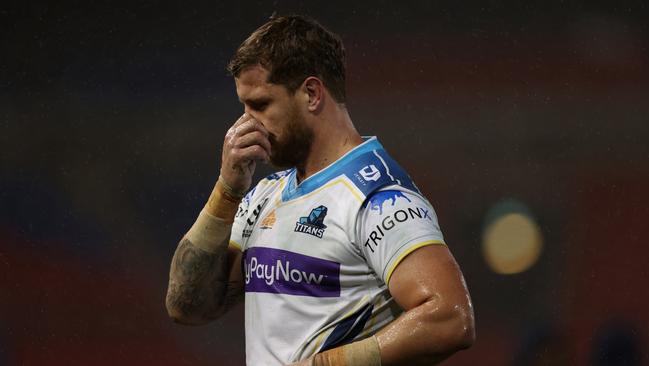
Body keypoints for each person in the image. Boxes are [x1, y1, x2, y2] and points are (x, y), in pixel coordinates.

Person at [165, 14, 475, 366]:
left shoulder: (377, 196)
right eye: (244, 107)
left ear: (312, 94)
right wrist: (227, 191)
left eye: (261, 105)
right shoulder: (267, 194)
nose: (246, 123)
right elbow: (186, 306)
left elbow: (450, 318)